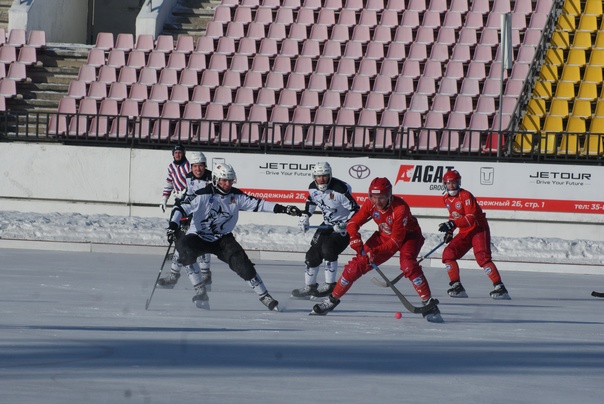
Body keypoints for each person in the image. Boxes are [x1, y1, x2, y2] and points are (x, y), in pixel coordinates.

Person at [167, 163, 302, 311]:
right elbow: (180, 207)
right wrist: (173, 225)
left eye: (230, 180)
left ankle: (265, 296)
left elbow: (260, 204)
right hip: (198, 236)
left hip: (222, 239)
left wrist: (284, 208)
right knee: (183, 249)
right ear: (215, 180)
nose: (228, 183)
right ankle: (200, 291)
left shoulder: (236, 196)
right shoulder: (202, 195)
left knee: (243, 265)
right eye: (224, 180)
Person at [311, 177, 443, 323]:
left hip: (409, 237)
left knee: (408, 265)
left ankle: (428, 303)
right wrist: (354, 237)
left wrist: (374, 252)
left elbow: (395, 242)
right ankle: (332, 300)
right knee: (354, 267)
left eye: (381, 197)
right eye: (373, 197)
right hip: (384, 235)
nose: (377, 202)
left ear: (389, 195)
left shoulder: (400, 209)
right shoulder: (370, 204)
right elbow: (354, 222)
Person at [438, 169, 510, 300]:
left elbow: (471, 218)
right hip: (464, 231)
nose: (451, 186)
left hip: (477, 229)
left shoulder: (466, 196)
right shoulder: (446, 199)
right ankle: (457, 286)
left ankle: (499, 287)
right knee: (448, 254)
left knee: (482, 258)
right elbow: (453, 216)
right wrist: (450, 231)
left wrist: (452, 224)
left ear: (459, 182)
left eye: (454, 183)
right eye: (448, 183)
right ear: (444, 184)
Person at [293, 162, 359, 299]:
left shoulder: (340, 190)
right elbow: (311, 201)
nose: (321, 180)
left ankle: (330, 285)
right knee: (312, 255)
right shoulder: (312, 188)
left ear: (330, 175)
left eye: (324, 176)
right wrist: (305, 216)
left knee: (328, 249)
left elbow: (356, 210)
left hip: (342, 228)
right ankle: (310, 286)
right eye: (318, 177)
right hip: (327, 224)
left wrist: (344, 224)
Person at [157, 152, 213, 290]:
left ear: (204, 166)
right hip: (190, 217)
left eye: (200, 166)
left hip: (206, 219)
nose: (198, 169)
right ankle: (173, 276)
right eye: (195, 166)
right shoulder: (189, 177)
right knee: (180, 244)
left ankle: (206, 275)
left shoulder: (212, 178)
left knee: (203, 246)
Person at [160, 144, 189, 213]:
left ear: (183, 154)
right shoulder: (171, 167)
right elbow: (169, 184)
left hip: (189, 201)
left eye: (179, 153)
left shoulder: (188, 166)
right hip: (178, 200)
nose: (177, 155)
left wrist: (186, 192)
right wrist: (164, 199)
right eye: (175, 153)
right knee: (174, 221)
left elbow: (193, 183)